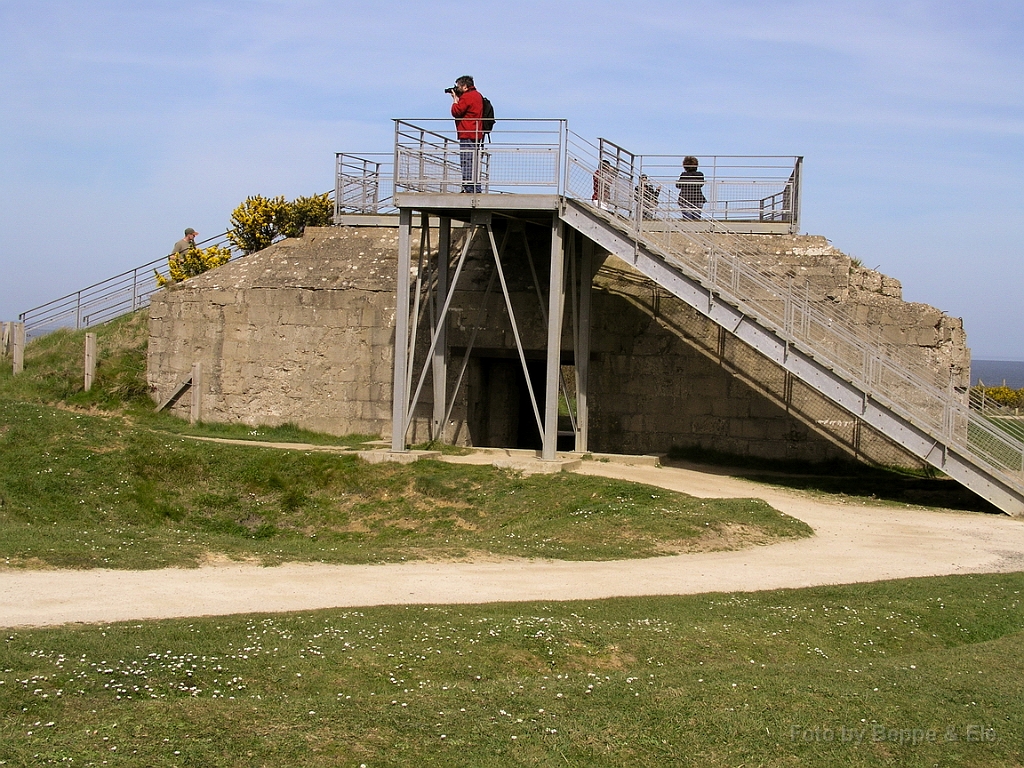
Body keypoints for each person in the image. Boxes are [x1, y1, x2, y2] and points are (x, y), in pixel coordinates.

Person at [449, 75, 484, 193]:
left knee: (466, 160)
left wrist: (455, 100)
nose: (457, 88)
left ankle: (469, 187)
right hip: (476, 133)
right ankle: (475, 187)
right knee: (473, 161)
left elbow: (456, 111)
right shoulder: (477, 95)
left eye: (458, 86)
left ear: (464, 86)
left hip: (467, 132)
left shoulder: (467, 96)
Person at [675, 156, 706, 221]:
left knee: (688, 220)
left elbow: (678, 185)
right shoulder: (700, 174)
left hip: (685, 198)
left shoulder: (684, 175)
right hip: (698, 198)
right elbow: (701, 184)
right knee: (696, 219)